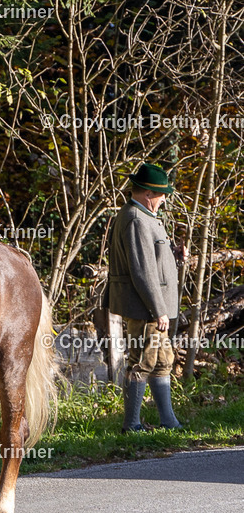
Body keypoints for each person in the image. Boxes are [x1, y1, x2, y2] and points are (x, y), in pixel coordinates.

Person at [103, 162, 184, 432]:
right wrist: (158, 309)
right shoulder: (136, 219)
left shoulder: (144, 216)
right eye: (162, 195)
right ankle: (131, 425)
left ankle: (168, 422)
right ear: (148, 193)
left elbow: (153, 260)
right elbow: (142, 271)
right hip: (145, 307)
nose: (164, 200)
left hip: (150, 306)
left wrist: (174, 254)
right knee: (142, 361)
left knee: (162, 361)